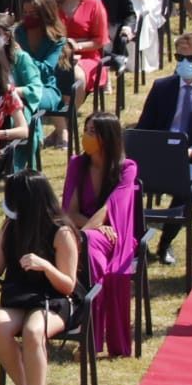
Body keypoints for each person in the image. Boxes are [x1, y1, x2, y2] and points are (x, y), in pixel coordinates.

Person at [0, 168, 82, 385]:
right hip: (20, 296)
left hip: (55, 299)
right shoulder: (10, 227)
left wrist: (45, 266)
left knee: (33, 330)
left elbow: (68, 285)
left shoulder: (61, 232)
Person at [135, 29, 192, 266]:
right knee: (127, 181)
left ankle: (165, 242)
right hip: (159, 154)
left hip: (191, 157)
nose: (184, 63)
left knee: (186, 186)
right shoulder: (162, 87)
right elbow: (145, 127)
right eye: (179, 58)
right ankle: (135, 241)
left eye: (191, 58)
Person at [63, 113, 140, 358]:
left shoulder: (126, 168)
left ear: (107, 137)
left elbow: (111, 209)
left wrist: (82, 236)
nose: (87, 136)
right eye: (86, 130)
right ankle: (92, 335)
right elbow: (69, 211)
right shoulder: (77, 164)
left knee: (90, 243)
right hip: (89, 234)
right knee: (93, 248)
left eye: (93, 132)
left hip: (117, 235)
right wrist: (89, 231)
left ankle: (90, 336)